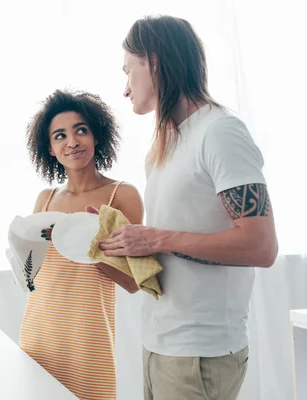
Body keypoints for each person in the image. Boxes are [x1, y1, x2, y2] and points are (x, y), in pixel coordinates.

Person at [99, 15, 278, 400]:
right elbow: (168, 245)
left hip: (199, 354)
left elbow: (260, 247)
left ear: (156, 61)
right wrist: (110, 241)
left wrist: (157, 238)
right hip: (161, 345)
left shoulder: (220, 132)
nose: (125, 88)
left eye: (128, 70)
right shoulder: (167, 144)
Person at [19, 89, 143, 399]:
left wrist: (91, 249)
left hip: (88, 339)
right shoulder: (45, 199)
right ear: (50, 149)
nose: (72, 142)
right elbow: (33, 275)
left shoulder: (122, 196)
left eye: (81, 131)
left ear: (96, 136)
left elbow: (134, 281)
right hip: (39, 332)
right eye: (59, 136)